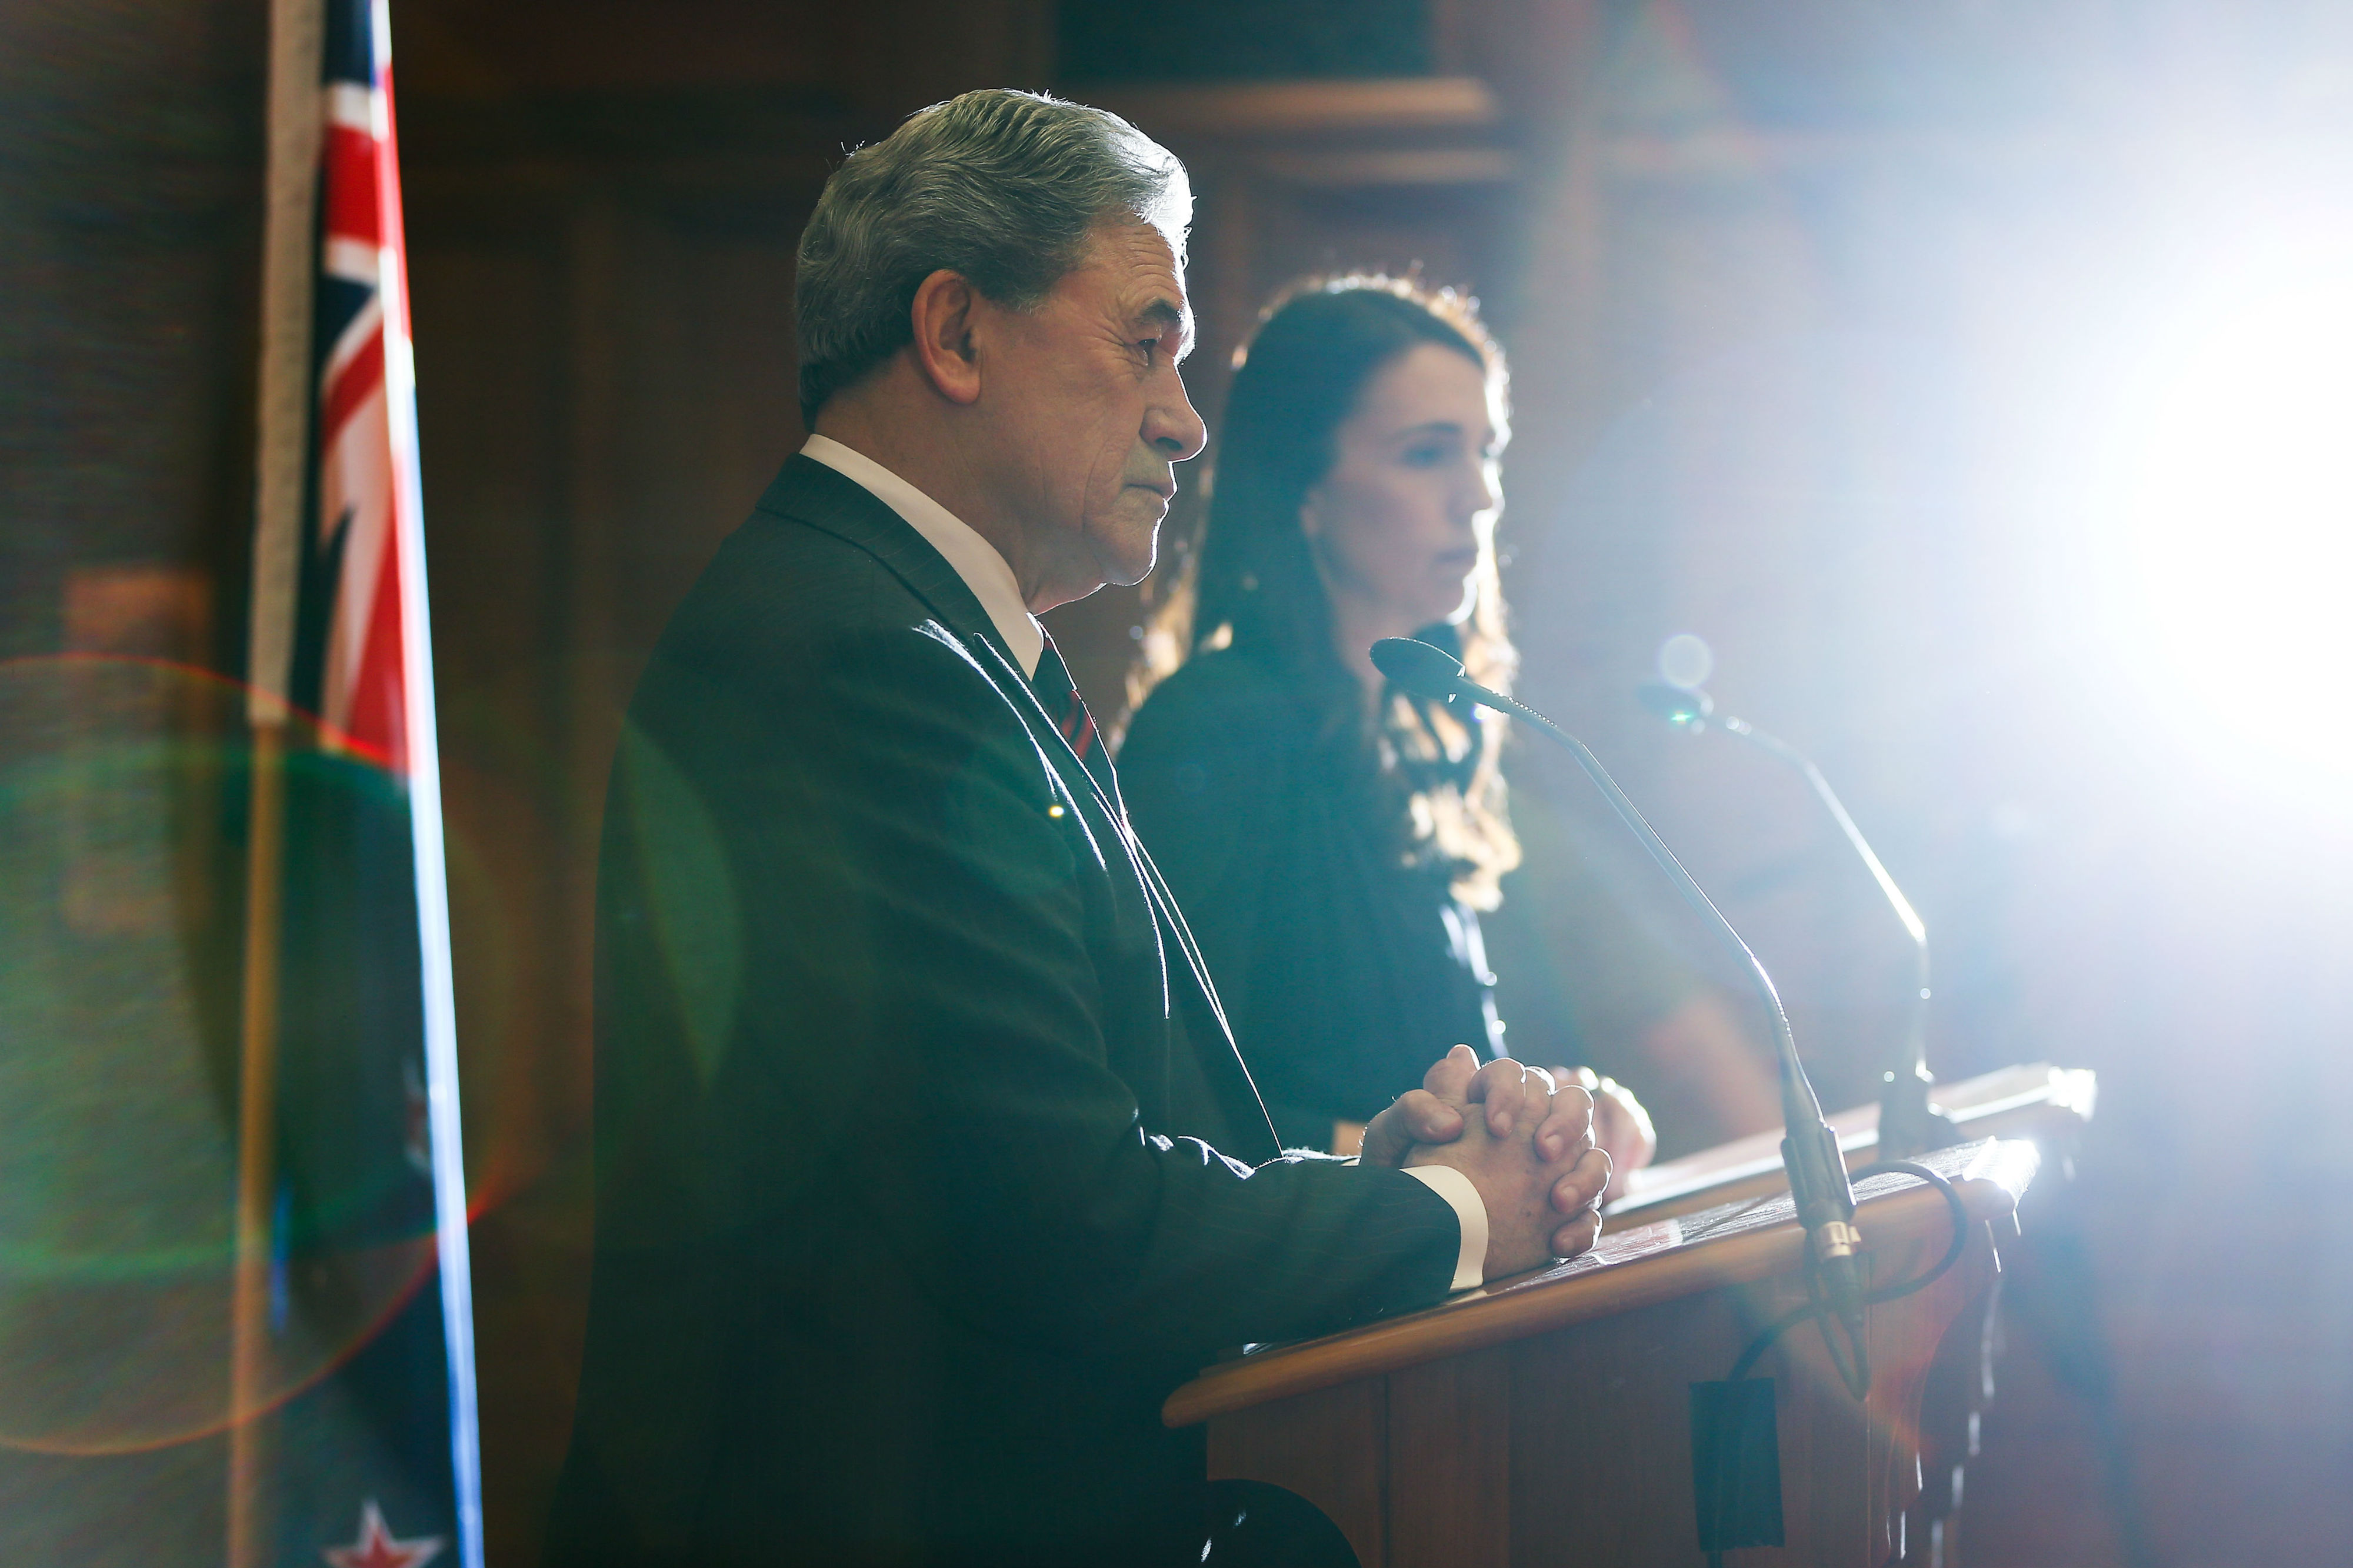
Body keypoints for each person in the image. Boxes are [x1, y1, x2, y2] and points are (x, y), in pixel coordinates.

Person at [545, 92, 1612, 1568]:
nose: (1183, 417)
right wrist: (1446, 1217)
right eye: (1145, 342)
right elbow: (1062, 1220)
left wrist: (1368, 1183)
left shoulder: (921, 637)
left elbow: (1055, 1138)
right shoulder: (855, 658)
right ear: (955, 333)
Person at [1121, 277, 1659, 1187]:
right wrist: (1424, 1165)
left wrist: (1551, 1114)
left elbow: (1422, 1082)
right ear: (1305, 489)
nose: (1478, 496)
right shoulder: (1213, 726)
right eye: (1427, 454)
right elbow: (1178, 1102)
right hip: (1303, 1271)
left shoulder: (1417, 738)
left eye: (1486, 453)